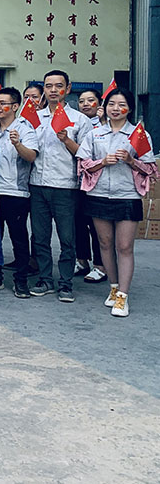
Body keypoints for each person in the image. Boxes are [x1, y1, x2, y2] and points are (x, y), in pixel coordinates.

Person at [77, 87, 157, 317]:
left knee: (124, 247)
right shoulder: (95, 134)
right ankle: (113, 287)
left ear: (129, 109)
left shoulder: (139, 135)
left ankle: (123, 296)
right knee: (104, 244)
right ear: (105, 107)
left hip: (127, 196)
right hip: (98, 195)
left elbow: (150, 169)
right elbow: (82, 164)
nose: (115, 109)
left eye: (121, 105)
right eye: (111, 104)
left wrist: (131, 160)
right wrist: (102, 162)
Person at [29, 70, 93, 302]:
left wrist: (67, 140)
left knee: (67, 238)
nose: (53, 90)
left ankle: (66, 283)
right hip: (37, 184)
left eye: (58, 86)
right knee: (40, 237)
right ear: (44, 89)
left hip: (66, 187)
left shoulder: (79, 120)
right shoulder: (34, 118)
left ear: (68, 88)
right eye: (49, 86)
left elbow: (86, 155)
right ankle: (45, 279)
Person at [0, 88, 38, 298]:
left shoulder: (25, 130)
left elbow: (31, 157)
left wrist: (17, 144)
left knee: (18, 237)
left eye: (3, 103)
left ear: (15, 106)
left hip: (16, 193)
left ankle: (21, 280)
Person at [75, 89, 105, 282]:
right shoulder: (75, 121)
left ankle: (100, 265)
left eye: (90, 100)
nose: (85, 104)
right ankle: (82, 260)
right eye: (81, 101)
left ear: (100, 103)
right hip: (78, 182)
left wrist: (103, 121)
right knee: (78, 223)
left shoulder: (106, 125)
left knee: (97, 227)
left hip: (98, 184)